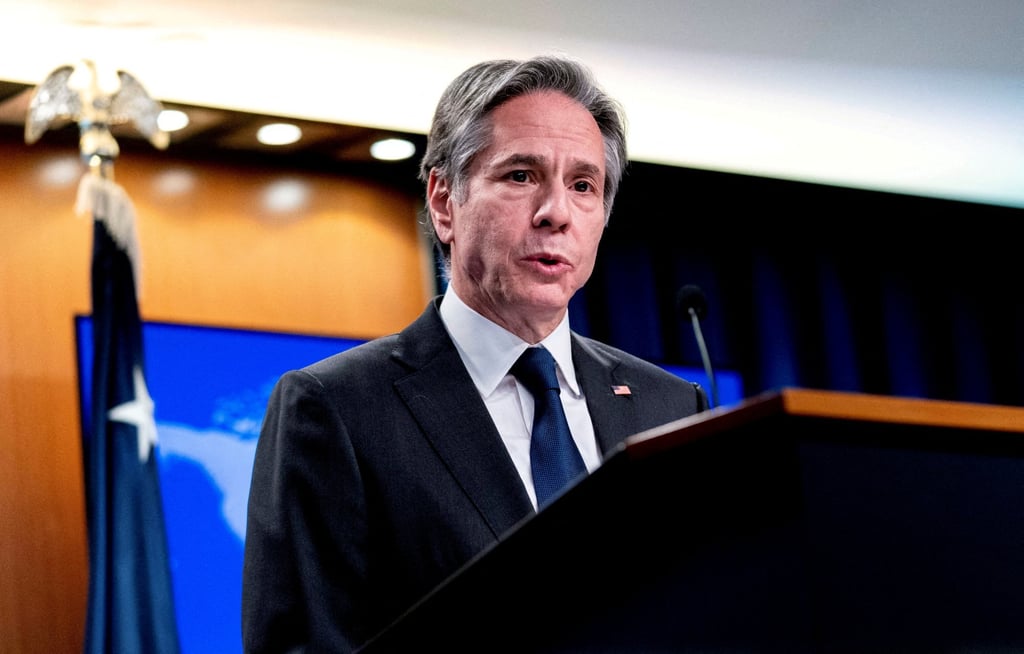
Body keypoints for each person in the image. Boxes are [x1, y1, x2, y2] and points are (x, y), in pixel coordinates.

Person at [241, 53, 709, 653]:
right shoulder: (338, 408)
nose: (556, 213)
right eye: (521, 176)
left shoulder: (670, 407)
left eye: (583, 186)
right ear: (444, 202)